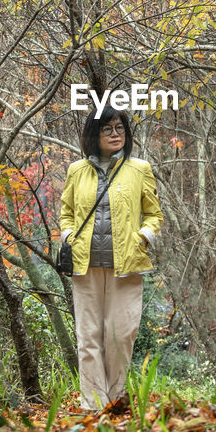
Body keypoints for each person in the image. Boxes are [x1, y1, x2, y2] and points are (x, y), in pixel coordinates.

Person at [58, 108, 164, 411]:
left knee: (121, 334)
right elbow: (66, 212)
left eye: (120, 128)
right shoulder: (77, 170)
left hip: (127, 264)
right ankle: (93, 405)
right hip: (85, 265)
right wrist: (69, 236)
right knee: (88, 337)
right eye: (107, 129)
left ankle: (115, 399)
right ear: (94, 135)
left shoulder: (139, 168)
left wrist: (142, 237)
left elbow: (154, 214)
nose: (116, 133)